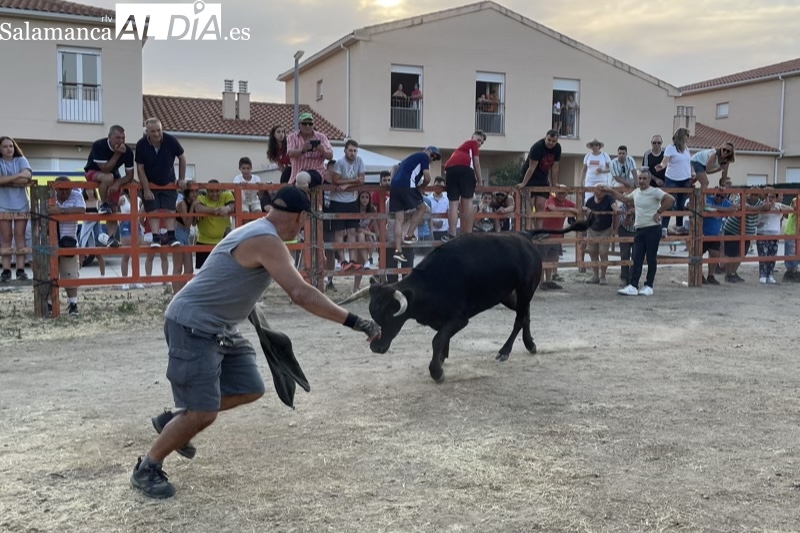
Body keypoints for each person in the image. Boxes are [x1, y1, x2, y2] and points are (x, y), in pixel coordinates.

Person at [130, 186, 381, 499]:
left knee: (249, 386)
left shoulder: (256, 231)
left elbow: (230, 282)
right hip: (193, 326)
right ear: (301, 216)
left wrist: (258, 321)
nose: (304, 226)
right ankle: (147, 467)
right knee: (204, 412)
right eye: (305, 220)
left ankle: (175, 422)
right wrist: (356, 322)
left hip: (220, 328)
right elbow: (301, 293)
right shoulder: (266, 240)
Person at [604, 169, 675, 296]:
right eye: (640, 178)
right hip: (640, 229)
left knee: (651, 258)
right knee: (637, 258)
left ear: (649, 180)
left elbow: (670, 199)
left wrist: (659, 212)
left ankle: (649, 285)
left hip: (653, 228)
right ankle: (633, 285)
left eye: (644, 178)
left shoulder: (655, 191)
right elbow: (624, 199)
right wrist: (610, 191)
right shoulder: (636, 192)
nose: (641, 181)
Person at [135, 117, 186, 248]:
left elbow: (182, 157)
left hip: (168, 181)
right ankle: (155, 237)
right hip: (150, 183)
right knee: (152, 211)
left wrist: (181, 178)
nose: (157, 134)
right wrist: (146, 189)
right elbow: (140, 168)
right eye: (153, 131)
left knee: (170, 210)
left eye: (159, 130)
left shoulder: (170, 140)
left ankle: (171, 237)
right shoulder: (141, 144)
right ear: (147, 131)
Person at [83, 125, 135, 243]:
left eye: (123, 138)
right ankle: (103, 204)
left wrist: (118, 184)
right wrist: (117, 154)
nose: (121, 141)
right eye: (118, 138)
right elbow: (105, 169)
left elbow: (130, 175)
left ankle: (111, 238)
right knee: (108, 177)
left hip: (113, 176)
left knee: (113, 210)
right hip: (93, 172)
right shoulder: (99, 145)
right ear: (109, 137)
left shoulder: (128, 151)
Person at [388, 146, 438, 264]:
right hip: (407, 185)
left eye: (435, 158)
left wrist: (392, 181)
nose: (432, 159)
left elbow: (395, 167)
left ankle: (398, 251)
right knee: (423, 208)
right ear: (427, 151)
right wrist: (421, 187)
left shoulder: (410, 158)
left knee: (398, 219)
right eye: (432, 155)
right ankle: (409, 234)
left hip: (395, 187)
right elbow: (428, 177)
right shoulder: (423, 156)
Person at [50, 176, 86, 317]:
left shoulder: (76, 195)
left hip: (69, 240)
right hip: (50, 240)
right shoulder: (50, 196)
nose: (65, 192)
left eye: (67, 189)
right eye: (62, 189)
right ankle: (49, 304)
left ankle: (73, 304)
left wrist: (62, 212)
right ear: (56, 188)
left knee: (70, 275)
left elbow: (82, 210)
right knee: (49, 275)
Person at [442, 130, 485, 242]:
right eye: (479, 139)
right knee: (468, 203)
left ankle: (452, 234)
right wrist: (480, 182)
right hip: (466, 171)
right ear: (473, 137)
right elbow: (476, 163)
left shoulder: (459, 150)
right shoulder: (472, 144)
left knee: (453, 205)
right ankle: (469, 234)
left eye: (481, 142)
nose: (479, 143)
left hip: (451, 171)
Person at [0, 136, 33, 282]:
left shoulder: (21, 160)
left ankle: (20, 270)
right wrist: (18, 176)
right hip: (3, 204)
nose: (9, 149)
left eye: (11, 146)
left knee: (20, 236)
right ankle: (6, 270)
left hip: (21, 204)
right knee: (6, 237)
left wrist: (8, 179)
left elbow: (27, 177)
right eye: (5, 146)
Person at [330, 139, 366, 270]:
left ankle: (352, 260)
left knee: (352, 231)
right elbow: (335, 180)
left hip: (351, 201)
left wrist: (347, 184)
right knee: (339, 232)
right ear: (345, 150)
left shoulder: (360, 161)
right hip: (337, 201)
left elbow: (362, 180)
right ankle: (343, 261)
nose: (353, 153)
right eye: (350, 150)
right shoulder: (340, 163)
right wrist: (354, 180)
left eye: (355, 151)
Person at [516, 130, 561, 230]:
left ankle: (539, 231)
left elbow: (555, 167)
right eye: (549, 140)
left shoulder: (557, 148)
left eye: (554, 141)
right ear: (545, 137)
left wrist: (554, 183)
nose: (551, 143)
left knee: (540, 207)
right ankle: (528, 231)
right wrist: (524, 183)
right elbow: (531, 168)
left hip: (543, 179)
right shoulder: (537, 147)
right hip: (529, 178)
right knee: (529, 207)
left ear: (557, 141)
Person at [656, 127, 694, 237]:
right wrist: (661, 166)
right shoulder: (671, 148)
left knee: (681, 204)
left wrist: (693, 173)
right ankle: (664, 227)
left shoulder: (686, 149)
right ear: (683, 136)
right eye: (687, 136)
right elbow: (665, 161)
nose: (688, 138)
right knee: (669, 202)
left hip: (685, 178)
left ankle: (679, 226)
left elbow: (689, 163)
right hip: (672, 178)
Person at [192, 181, 235, 269]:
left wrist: (227, 208)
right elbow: (198, 209)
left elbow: (233, 205)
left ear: (221, 190)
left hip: (223, 242)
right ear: (207, 191)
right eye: (211, 191)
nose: (214, 194)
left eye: (217, 191)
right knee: (203, 273)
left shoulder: (226, 194)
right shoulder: (201, 196)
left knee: (223, 271)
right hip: (204, 241)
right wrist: (215, 210)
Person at [286, 112, 333, 187]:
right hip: (296, 174)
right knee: (294, 182)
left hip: (316, 172)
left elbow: (330, 155)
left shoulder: (321, 137)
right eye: (304, 124)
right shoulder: (292, 137)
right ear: (299, 125)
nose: (307, 126)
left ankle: (304, 196)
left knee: (302, 178)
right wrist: (302, 150)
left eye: (310, 124)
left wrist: (323, 151)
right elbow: (290, 153)